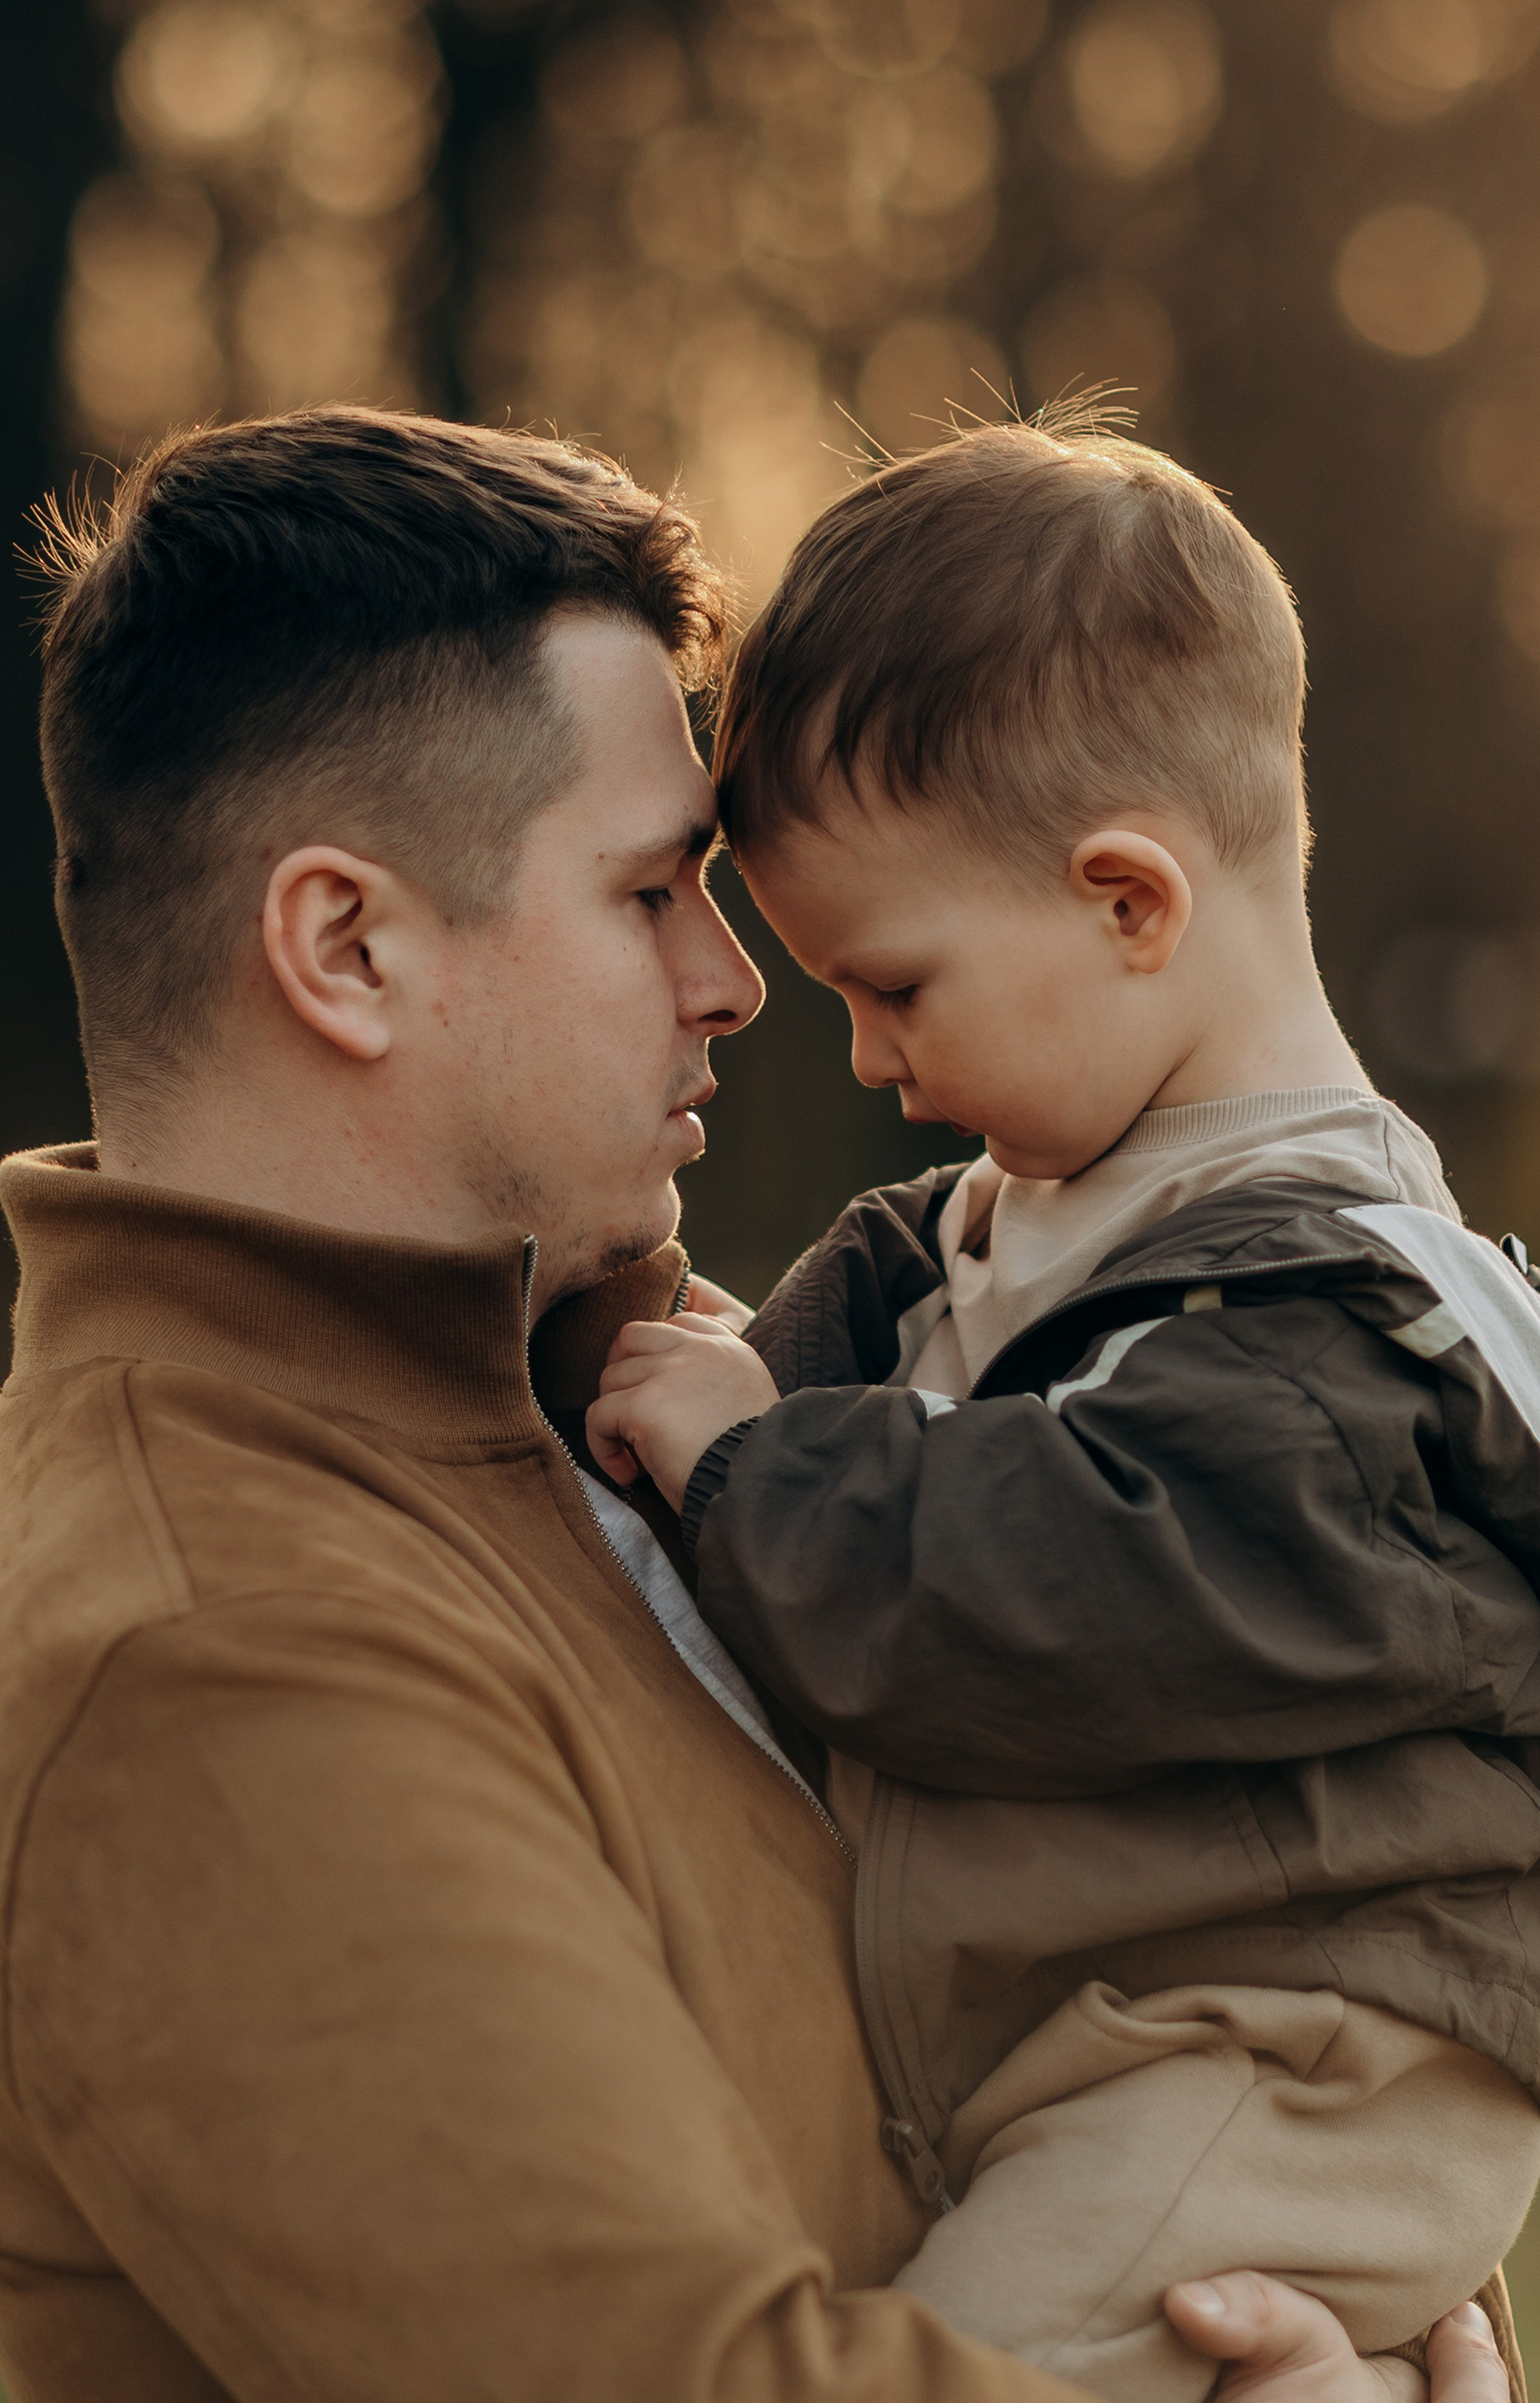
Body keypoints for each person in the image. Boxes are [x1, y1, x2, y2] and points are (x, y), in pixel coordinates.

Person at [0, 406, 1507, 2403]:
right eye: (653, 892)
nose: (736, 979)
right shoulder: (209, 1649)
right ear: (349, 944)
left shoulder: (604, 1390)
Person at [587, 412, 1540, 2403]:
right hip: (1121, 2047)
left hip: (1275, 2072)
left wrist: (754, 1463)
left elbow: (1038, 1583)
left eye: (899, 985)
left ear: (1128, 902)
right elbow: (898, 1329)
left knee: (952, 2376)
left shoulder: (1338, 1339)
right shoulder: (1043, 1218)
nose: (857, 1052)